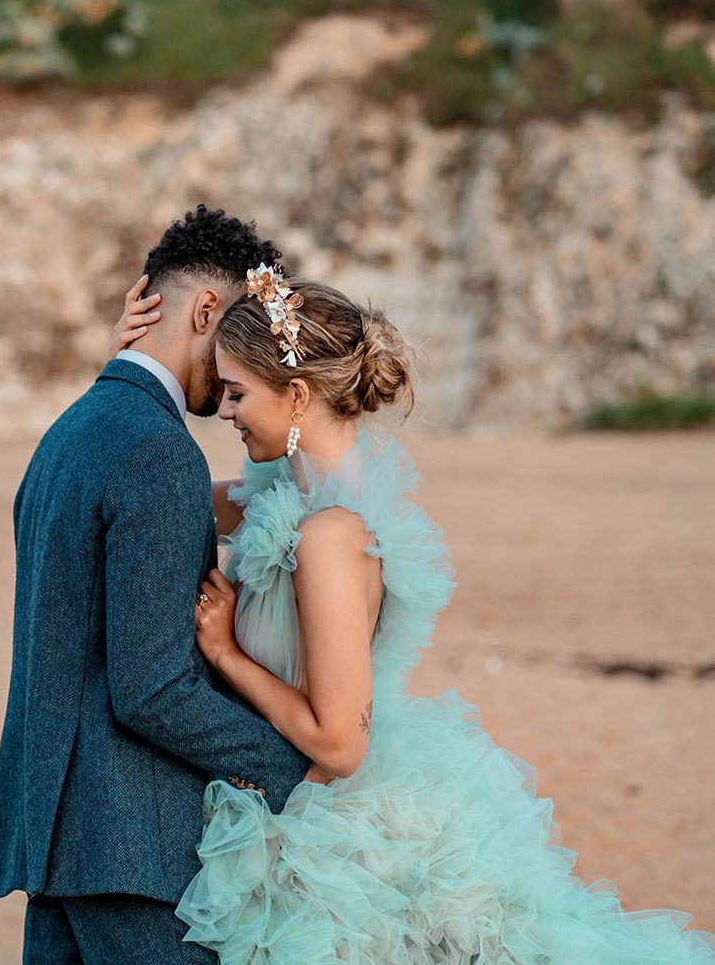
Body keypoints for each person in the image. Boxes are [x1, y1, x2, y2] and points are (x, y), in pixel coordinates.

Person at [115, 265, 715, 964]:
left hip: (340, 829)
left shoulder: (330, 534)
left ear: (299, 395)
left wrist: (226, 656)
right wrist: (131, 368)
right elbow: (159, 487)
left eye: (238, 393)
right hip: (299, 797)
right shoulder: (286, 496)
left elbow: (341, 745)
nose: (223, 410)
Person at [0, 206, 313, 964]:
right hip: (133, 844)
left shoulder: (68, 434)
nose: (238, 370)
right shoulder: (157, 451)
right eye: (238, 331)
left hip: (56, 839)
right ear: (204, 311)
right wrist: (293, 771)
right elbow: (151, 687)